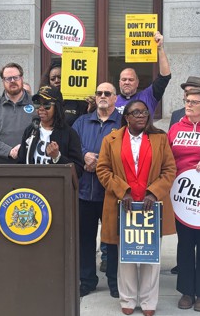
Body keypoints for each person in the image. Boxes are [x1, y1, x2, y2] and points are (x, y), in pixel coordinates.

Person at [96, 100, 176, 316]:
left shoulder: (160, 139)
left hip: (152, 207)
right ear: (127, 117)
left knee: (151, 256)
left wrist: (155, 192)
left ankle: (149, 302)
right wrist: (123, 190)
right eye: (136, 112)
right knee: (127, 255)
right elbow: (103, 170)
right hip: (124, 206)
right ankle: (129, 299)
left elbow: (169, 170)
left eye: (144, 112)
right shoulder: (110, 140)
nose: (141, 115)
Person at [167, 87, 200, 312]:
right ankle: (187, 291)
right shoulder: (175, 128)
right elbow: (168, 158)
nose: (188, 105)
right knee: (185, 243)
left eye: (194, 102)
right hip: (181, 194)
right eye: (186, 101)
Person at [71, 82, 123, 298]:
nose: (103, 96)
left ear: (115, 98)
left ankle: (114, 282)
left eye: (107, 93)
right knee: (85, 239)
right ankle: (87, 280)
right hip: (84, 190)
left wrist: (100, 159)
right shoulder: (82, 121)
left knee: (112, 240)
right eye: (99, 93)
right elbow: (72, 146)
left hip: (111, 192)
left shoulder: (122, 122)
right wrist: (84, 155)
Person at [18, 85, 83, 177]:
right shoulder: (31, 130)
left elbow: (78, 170)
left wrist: (57, 157)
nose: (41, 108)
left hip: (56, 188)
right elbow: (21, 162)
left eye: (46, 104)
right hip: (32, 187)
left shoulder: (69, 134)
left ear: (57, 107)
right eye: (37, 104)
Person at [0, 62, 36, 164]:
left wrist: (24, 148)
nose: (12, 81)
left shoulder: (36, 105)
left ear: (22, 78)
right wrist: (9, 151)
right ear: (3, 81)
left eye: (16, 77)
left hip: (29, 165)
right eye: (8, 78)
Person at [115, 31, 171, 118]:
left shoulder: (148, 96)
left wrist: (160, 48)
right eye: (124, 79)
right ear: (119, 82)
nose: (127, 82)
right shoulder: (111, 100)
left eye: (131, 79)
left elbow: (164, 77)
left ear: (137, 83)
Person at [40, 61, 88, 126]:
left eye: (60, 77)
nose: (56, 81)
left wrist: (90, 110)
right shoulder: (44, 101)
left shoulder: (78, 101)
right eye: (52, 79)